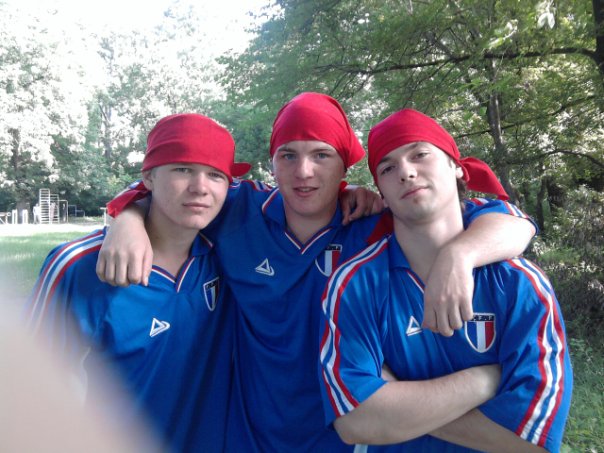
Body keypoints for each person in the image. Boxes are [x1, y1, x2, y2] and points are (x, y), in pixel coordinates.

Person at [99, 93, 537, 452]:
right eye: (288, 155)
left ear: (345, 165)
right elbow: (173, 186)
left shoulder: (375, 222)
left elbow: (512, 222)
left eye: (321, 155)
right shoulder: (239, 211)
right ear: (272, 163)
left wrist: (459, 255)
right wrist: (127, 219)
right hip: (247, 435)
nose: (303, 172)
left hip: (347, 434)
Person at [320, 109, 572, 452]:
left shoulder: (519, 284)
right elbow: (355, 422)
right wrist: (483, 381)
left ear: (456, 166)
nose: (406, 172)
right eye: (388, 168)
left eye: (420, 154)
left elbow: (533, 443)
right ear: (381, 192)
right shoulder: (355, 284)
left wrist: (395, 407)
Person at [24, 113, 251, 452]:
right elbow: (28, 391)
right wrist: (127, 216)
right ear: (148, 177)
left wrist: (127, 212)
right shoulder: (79, 266)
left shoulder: (231, 254)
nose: (200, 187)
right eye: (182, 169)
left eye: (215, 174)